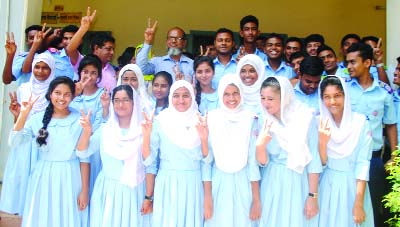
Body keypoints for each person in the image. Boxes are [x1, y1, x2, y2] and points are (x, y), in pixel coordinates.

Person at [10, 77, 89, 226]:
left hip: (70, 175)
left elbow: (84, 158)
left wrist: (84, 191)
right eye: (57, 93)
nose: (62, 98)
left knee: (67, 216)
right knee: (43, 216)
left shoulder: (79, 119)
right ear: (50, 94)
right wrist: (23, 115)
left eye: (67, 94)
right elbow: (15, 142)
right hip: (43, 175)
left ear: (73, 96)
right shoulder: (37, 119)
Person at [77, 85, 153, 226]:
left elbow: (149, 163)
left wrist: (147, 137)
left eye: (125, 100)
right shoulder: (106, 129)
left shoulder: (143, 129)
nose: (120, 104)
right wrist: (87, 131)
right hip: (108, 190)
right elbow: (82, 151)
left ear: (134, 102)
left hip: (134, 190)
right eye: (116, 100)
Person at [142, 80, 210, 226]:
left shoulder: (200, 121)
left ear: (192, 97)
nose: (181, 100)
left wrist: (207, 197)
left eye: (186, 95)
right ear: (170, 97)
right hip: (168, 183)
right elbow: (149, 161)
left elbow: (207, 161)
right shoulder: (160, 120)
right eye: (176, 95)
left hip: (193, 184)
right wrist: (146, 135)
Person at [257, 76, 322, 227]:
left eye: (270, 99)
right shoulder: (263, 120)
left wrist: (313, 196)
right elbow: (262, 162)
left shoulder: (305, 117)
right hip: (272, 180)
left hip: (298, 180)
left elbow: (313, 159)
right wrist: (260, 146)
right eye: (262, 98)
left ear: (284, 97)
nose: (265, 103)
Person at [346, 42, 397, 227]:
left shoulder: (384, 91)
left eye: (353, 62)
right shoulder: (344, 89)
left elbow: (390, 125)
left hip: (373, 159)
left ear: (367, 63)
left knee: (374, 207)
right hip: (347, 158)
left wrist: (393, 156)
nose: (349, 66)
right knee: (348, 206)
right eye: (347, 62)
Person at [0, 52, 55, 215]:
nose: (40, 71)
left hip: (43, 144)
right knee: (22, 182)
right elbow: (18, 121)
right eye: (37, 67)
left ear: (52, 70)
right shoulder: (23, 89)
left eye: (45, 68)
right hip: (24, 143)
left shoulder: (54, 91)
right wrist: (17, 114)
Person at [202, 74, 261, 226]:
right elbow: (206, 161)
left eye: (235, 93)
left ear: (241, 93)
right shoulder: (211, 118)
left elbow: (252, 160)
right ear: (220, 95)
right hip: (218, 181)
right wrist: (207, 197)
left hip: (243, 181)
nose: (232, 98)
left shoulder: (250, 118)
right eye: (226, 94)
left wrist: (256, 199)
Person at [318, 75, 374, 227]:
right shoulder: (319, 122)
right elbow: (321, 164)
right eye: (327, 97)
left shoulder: (360, 122)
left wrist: (358, 202)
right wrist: (322, 142)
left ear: (345, 96)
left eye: (337, 96)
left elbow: (363, 163)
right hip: (328, 184)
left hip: (354, 186)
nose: (332, 102)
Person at [69, 54, 105, 195]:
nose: (89, 76)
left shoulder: (103, 95)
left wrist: (86, 136)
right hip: (72, 146)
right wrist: (75, 94)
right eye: (85, 72)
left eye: (93, 73)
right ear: (79, 72)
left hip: (93, 148)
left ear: (99, 76)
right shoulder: (70, 92)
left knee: (90, 186)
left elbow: (101, 121)